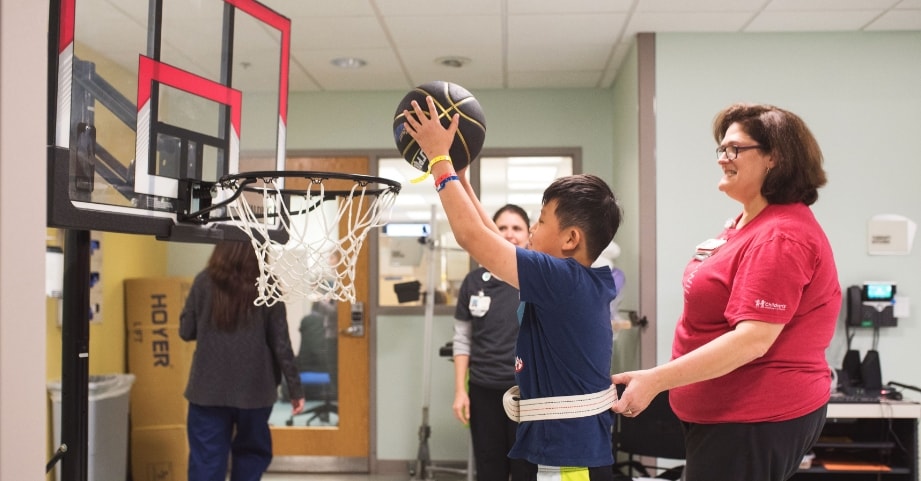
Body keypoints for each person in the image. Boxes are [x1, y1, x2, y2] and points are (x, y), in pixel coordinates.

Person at [610, 103, 840, 481]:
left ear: (774, 157)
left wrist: (656, 380)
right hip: (722, 414)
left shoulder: (781, 236)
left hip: (754, 415)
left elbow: (751, 341)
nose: (723, 159)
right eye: (721, 149)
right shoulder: (743, 224)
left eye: (735, 149)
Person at [403, 96, 622, 481]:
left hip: (571, 461)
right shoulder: (574, 280)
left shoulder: (562, 279)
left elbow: (472, 237)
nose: (531, 231)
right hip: (564, 448)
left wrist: (439, 159)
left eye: (539, 221)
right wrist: (463, 180)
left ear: (570, 238)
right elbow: (489, 237)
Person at [180, 240, 305, 481]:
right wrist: (295, 389)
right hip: (255, 390)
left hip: (208, 390)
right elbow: (281, 344)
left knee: (206, 461)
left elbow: (186, 331)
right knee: (251, 455)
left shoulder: (204, 281)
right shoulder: (268, 285)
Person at [453, 204, 532, 481]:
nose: (509, 234)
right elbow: (462, 340)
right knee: (489, 468)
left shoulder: (535, 278)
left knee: (525, 469)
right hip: (484, 390)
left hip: (527, 393)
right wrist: (460, 392)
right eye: (502, 228)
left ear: (528, 235)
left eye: (517, 228)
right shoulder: (474, 282)